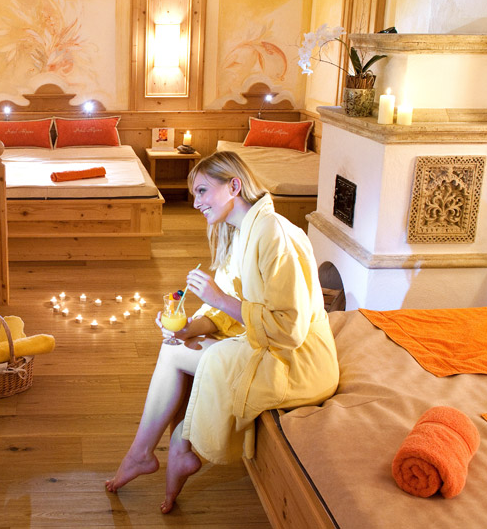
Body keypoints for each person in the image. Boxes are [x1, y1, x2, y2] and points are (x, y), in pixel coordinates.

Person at [105, 151, 339, 513]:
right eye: (193, 194)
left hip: (298, 362)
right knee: (178, 345)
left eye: (202, 191)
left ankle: (158, 452)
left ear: (234, 186)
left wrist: (217, 297)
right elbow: (227, 313)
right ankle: (170, 451)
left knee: (181, 355)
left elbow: (289, 329)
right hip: (269, 345)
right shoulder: (243, 231)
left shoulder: (273, 234)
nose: (195, 203)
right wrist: (189, 327)